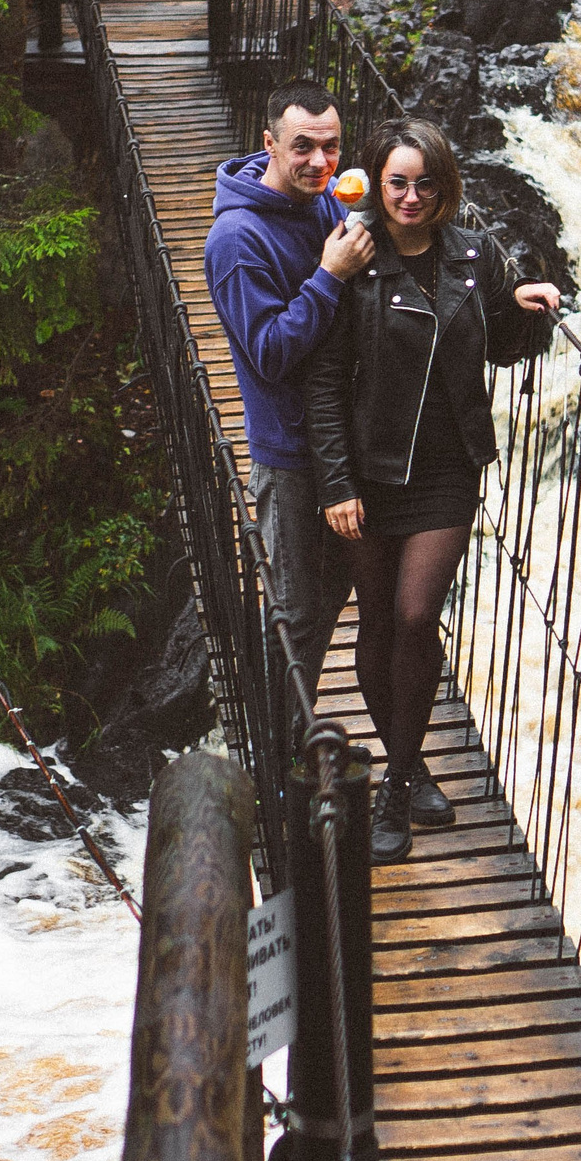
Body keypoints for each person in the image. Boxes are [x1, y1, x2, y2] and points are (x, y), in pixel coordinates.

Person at [304, 117, 563, 862]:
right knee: (378, 622)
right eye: (396, 183)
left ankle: (392, 786)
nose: (410, 196)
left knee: (417, 616)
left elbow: (499, 348)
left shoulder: (476, 255)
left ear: (443, 186)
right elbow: (323, 383)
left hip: (447, 469)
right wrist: (335, 481)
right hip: (368, 473)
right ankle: (410, 763)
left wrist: (527, 306)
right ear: (376, 185)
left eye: (424, 183)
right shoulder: (353, 258)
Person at [206, 82, 378, 699]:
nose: (319, 163)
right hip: (290, 452)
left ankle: (289, 738)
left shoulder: (325, 201)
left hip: (341, 437)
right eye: (302, 147)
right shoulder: (236, 240)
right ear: (269, 143)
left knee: (333, 600)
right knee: (299, 614)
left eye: (331, 148)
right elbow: (271, 355)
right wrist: (330, 275)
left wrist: (503, 293)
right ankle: (276, 758)